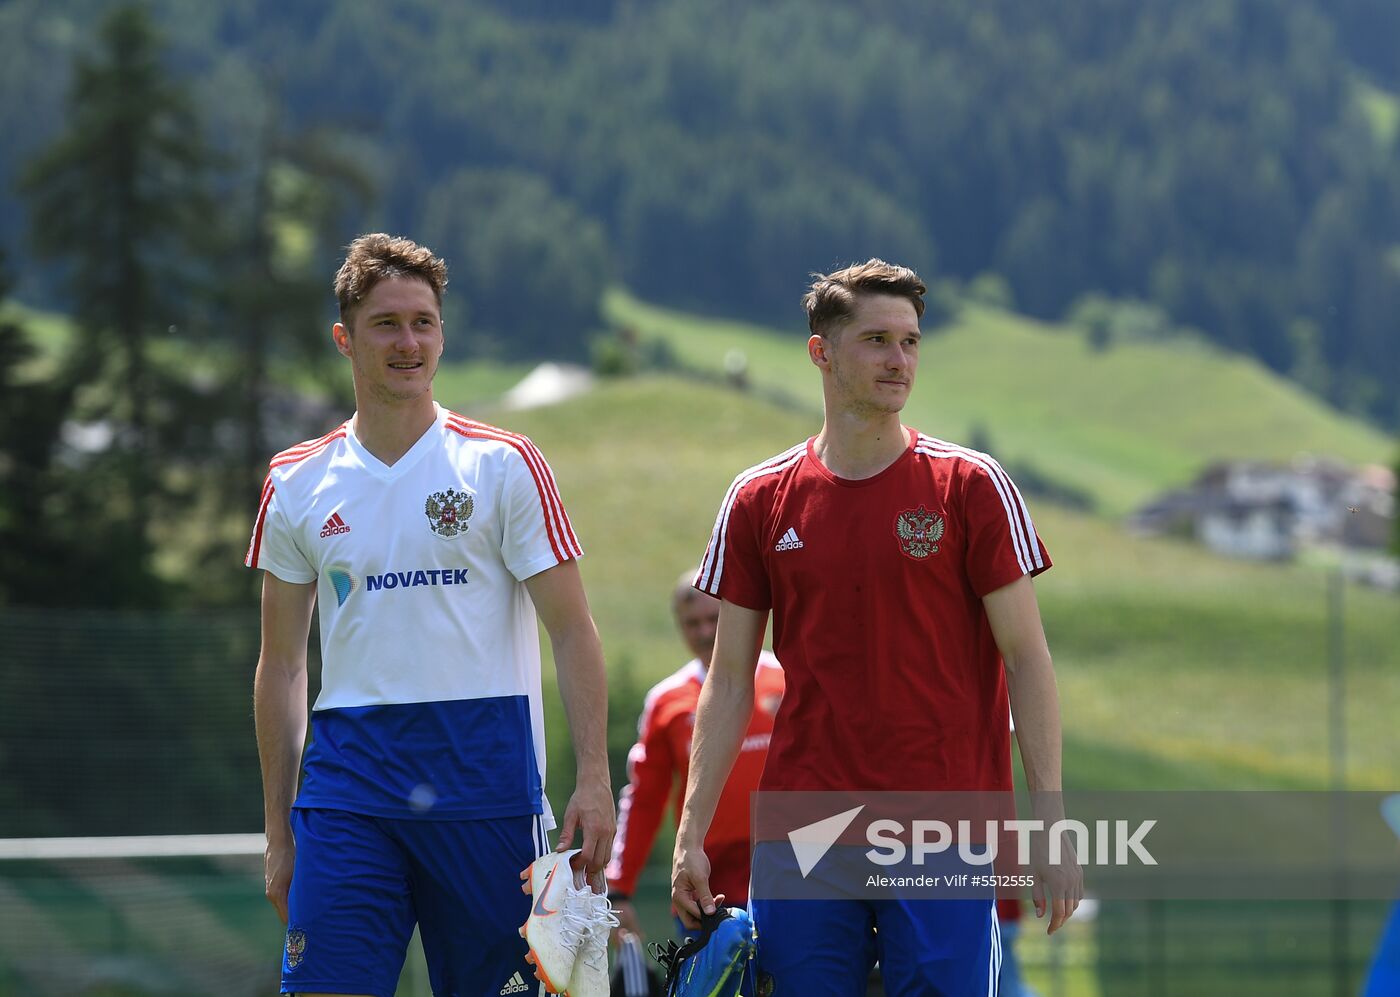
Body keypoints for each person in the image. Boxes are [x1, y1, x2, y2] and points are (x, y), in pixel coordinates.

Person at [671, 259, 1082, 996]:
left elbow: (1027, 659)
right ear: (821, 352)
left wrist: (1049, 823)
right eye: (877, 341)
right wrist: (690, 832)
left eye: (911, 342)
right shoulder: (758, 499)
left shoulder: (971, 485)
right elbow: (729, 678)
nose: (900, 361)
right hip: (803, 835)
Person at [248, 233, 614, 997]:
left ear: (442, 334)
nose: (408, 341)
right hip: (349, 790)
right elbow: (281, 664)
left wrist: (594, 777)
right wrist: (279, 830)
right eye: (387, 323)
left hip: (486, 785)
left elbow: (573, 629)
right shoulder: (296, 480)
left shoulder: (506, 463)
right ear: (346, 338)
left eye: (424, 321)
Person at [605, 575, 784, 938]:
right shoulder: (666, 700)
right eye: (692, 623)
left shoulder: (786, 678)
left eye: (713, 619)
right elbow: (644, 799)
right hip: (706, 879)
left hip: (790, 867)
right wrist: (618, 888)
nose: (704, 632)